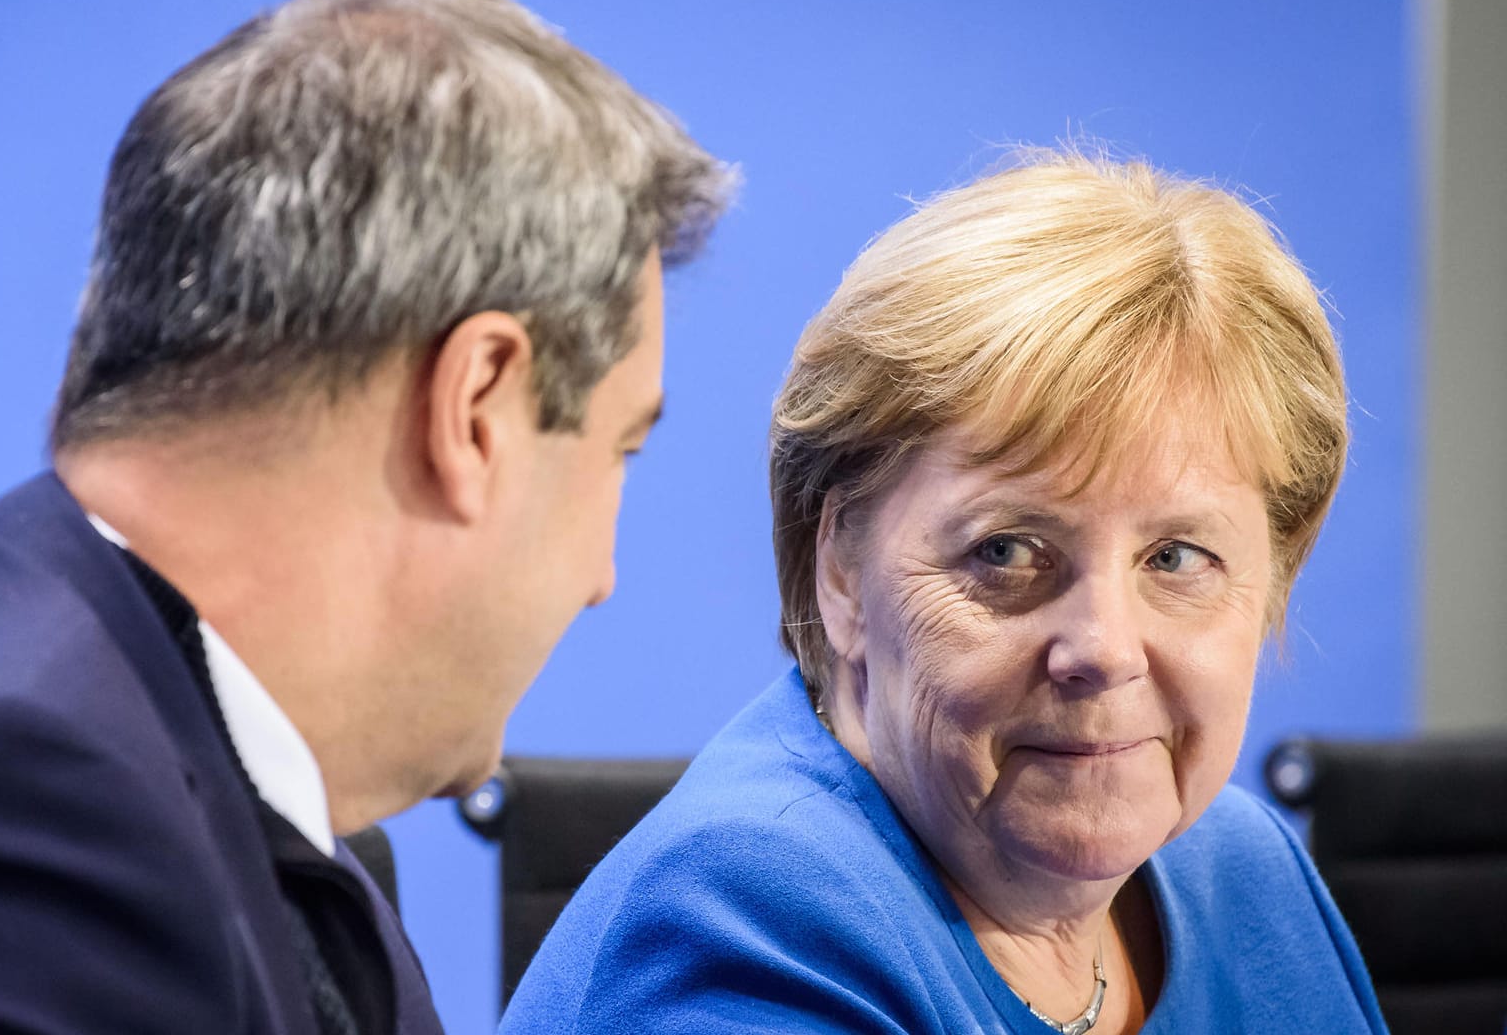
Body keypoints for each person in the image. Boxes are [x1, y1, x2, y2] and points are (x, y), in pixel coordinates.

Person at [0, 0, 731, 1035]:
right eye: (620, 448)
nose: (603, 574)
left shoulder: (139, 747)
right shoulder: (9, 820)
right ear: (474, 406)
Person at [500, 152, 1388, 1034]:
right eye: (1007, 551)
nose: (1106, 650)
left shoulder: (1241, 871)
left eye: (1177, 558)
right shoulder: (743, 933)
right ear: (841, 571)